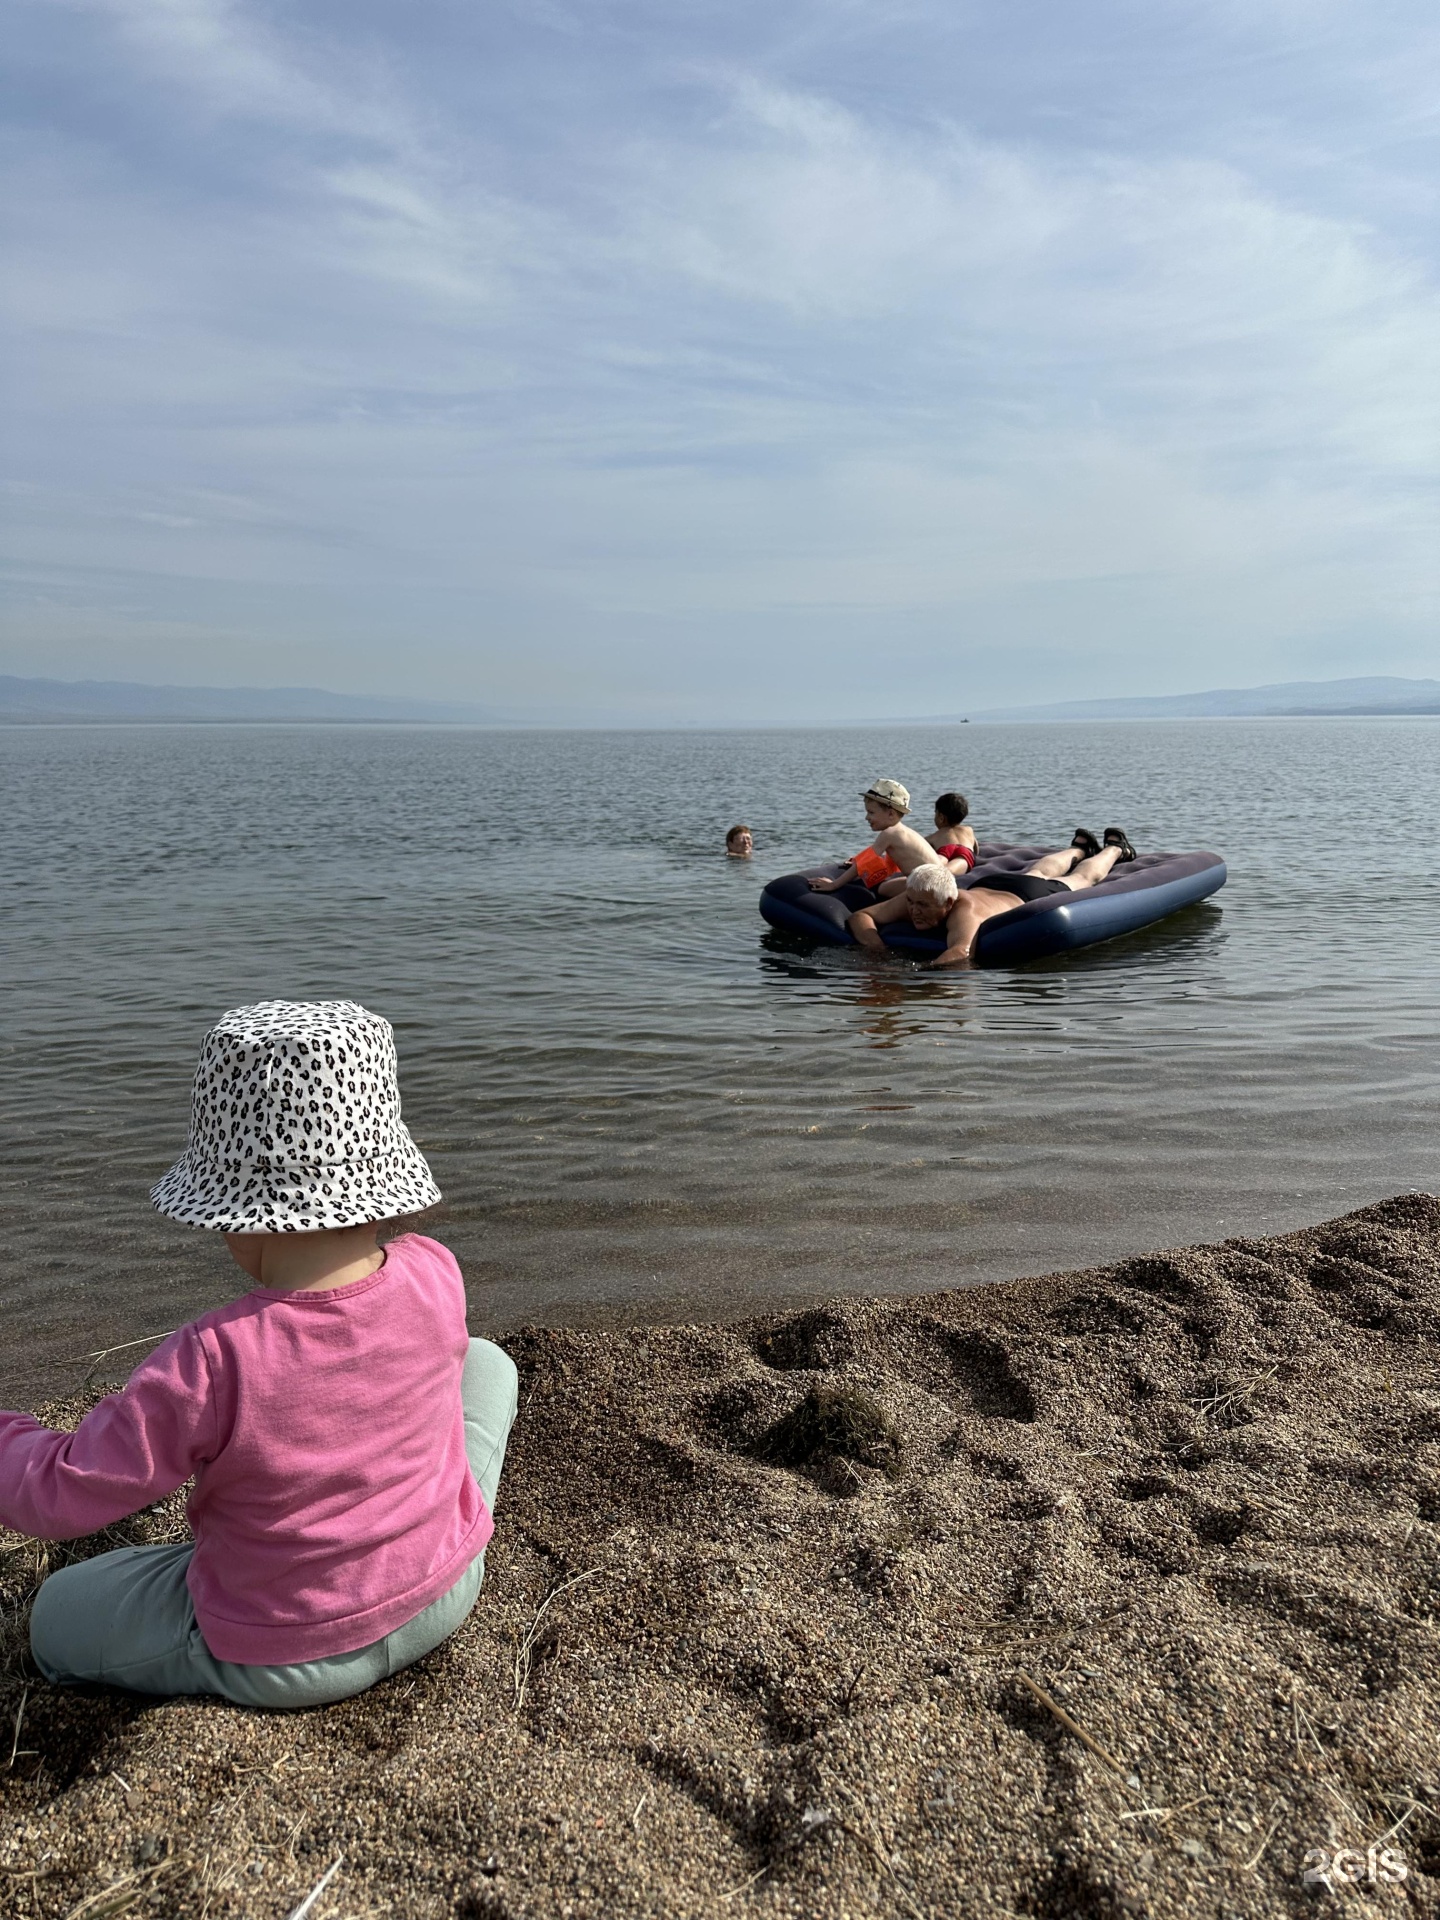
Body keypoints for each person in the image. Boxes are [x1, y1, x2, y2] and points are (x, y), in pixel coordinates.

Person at [2, 999, 518, 1709]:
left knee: (57, 1612)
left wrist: (9, 1437)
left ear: (236, 1213)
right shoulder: (435, 1269)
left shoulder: (212, 1359)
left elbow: (64, 1492)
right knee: (486, 1364)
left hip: (288, 1649)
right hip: (446, 1583)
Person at [847, 828, 1137, 966]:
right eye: (911, 903)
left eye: (922, 906)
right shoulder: (919, 894)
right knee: (1037, 869)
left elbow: (962, 952)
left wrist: (924, 972)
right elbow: (862, 916)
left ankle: (1115, 850)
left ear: (947, 904)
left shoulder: (964, 911)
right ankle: (1078, 849)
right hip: (993, 882)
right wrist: (877, 950)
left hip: (1024, 896)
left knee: (1080, 879)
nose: (914, 911)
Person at [808, 780, 946, 893]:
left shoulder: (889, 833)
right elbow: (887, 861)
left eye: (871, 812)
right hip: (939, 882)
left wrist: (834, 885)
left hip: (929, 886)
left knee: (883, 889)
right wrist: (858, 860)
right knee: (887, 886)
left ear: (891, 814)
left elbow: (868, 858)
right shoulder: (902, 832)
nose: (867, 817)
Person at [875, 790, 977, 896]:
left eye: (935, 813)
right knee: (945, 872)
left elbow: (917, 846)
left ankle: (910, 881)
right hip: (964, 853)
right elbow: (976, 848)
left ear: (941, 818)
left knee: (938, 873)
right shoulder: (968, 830)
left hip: (943, 851)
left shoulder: (936, 836)